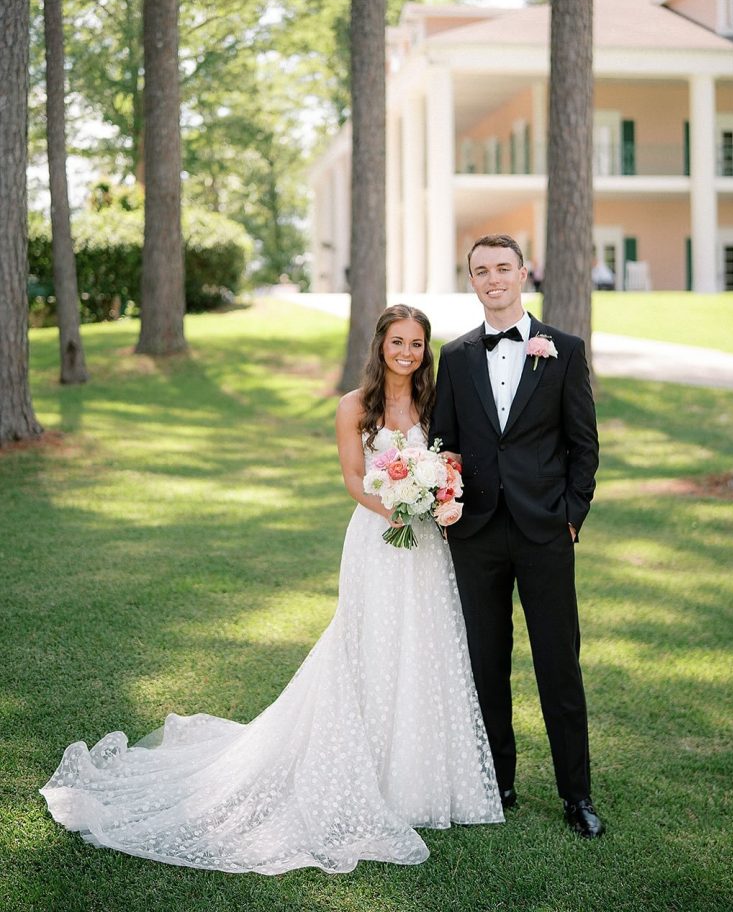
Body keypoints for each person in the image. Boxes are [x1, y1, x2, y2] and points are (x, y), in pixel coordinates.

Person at [40, 304, 502, 875]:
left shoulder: (435, 404)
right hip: (378, 538)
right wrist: (394, 508)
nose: (406, 353)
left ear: (425, 350)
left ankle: (419, 781)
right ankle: (366, 772)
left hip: (426, 546)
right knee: (370, 647)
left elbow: (450, 461)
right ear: (380, 346)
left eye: (416, 344)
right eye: (397, 342)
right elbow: (353, 477)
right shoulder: (354, 407)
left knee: (425, 647)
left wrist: (439, 492)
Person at [429, 235, 604, 839]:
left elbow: (584, 444)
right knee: (485, 663)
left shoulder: (564, 350)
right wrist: (446, 503)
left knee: (558, 664)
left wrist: (571, 514)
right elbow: (445, 444)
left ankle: (576, 795)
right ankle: (496, 782)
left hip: (544, 530)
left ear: (523, 273)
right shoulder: (454, 356)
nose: (493, 278)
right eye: (481, 270)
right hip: (475, 534)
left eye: (503, 267)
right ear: (471, 280)